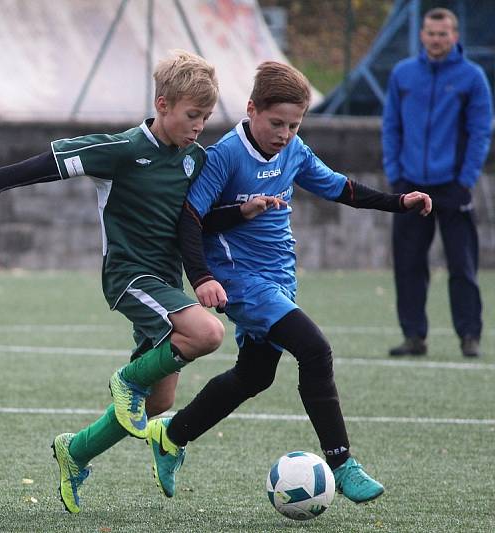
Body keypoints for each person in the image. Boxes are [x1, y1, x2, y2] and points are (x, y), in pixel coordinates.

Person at [142, 61, 433, 505]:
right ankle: (342, 463)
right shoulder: (224, 156)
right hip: (238, 279)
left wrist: (400, 201)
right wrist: (201, 278)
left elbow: (342, 189)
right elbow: (190, 219)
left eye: (293, 125)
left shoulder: (294, 150)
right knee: (314, 349)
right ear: (251, 109)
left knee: (254, 375)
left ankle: (172, 435)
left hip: (280, 276)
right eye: (276, 123)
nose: (284, 133)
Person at [0, 50, 225, 513]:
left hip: (166, 286)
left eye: (206, 117)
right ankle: (125, 379)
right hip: (128, 276)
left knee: (159, 402)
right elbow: (45, 166)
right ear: (162, 104)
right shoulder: (120, 150)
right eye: (192, 115)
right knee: (208, 333)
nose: (199, 126)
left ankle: (75, 452)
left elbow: (197, 222)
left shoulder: (194, 160)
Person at [382, 7, 492, 358]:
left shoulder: (472, 78)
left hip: (453, 186)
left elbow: (480, 132)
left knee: (462, 264)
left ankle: (469, 336)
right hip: (409, 184)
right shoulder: (402, 75)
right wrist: (395, 174)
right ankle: (414, 336)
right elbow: (391, 128)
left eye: (443, 34)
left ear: (455, 37)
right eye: (431, 33)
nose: (436, 39)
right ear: (422, 36)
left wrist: (466, 179)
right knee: (408, 264)